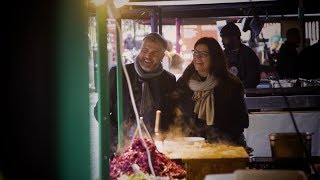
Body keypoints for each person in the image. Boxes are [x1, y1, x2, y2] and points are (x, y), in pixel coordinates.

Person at [94, 33, 176, 153]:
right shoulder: (119, 73)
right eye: (145, 50)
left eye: (154, 53)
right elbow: (99, 111)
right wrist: (117, 136)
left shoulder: (168, 80)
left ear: (162, 56)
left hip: (156, 147)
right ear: (140, 49)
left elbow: (172, 115)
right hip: (121, 147)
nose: (148, 56)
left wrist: (164, 136)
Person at [172, 37, 250, 150]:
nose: (198, 57)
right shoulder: (184, 83)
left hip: (224, 146)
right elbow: (176, 116)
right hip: (191, 147)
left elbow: (241, 121)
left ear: (214, 57)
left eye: (203, 54)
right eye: (195, 52)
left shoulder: (231, 84)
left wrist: (220, 141)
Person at [220, 22, 261, 88]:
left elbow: (253, 79)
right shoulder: (223, 55)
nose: (222, 41)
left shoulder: (248, 54)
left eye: (225, 38)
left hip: (246, 95)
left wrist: (236, 87)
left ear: (235, 37)